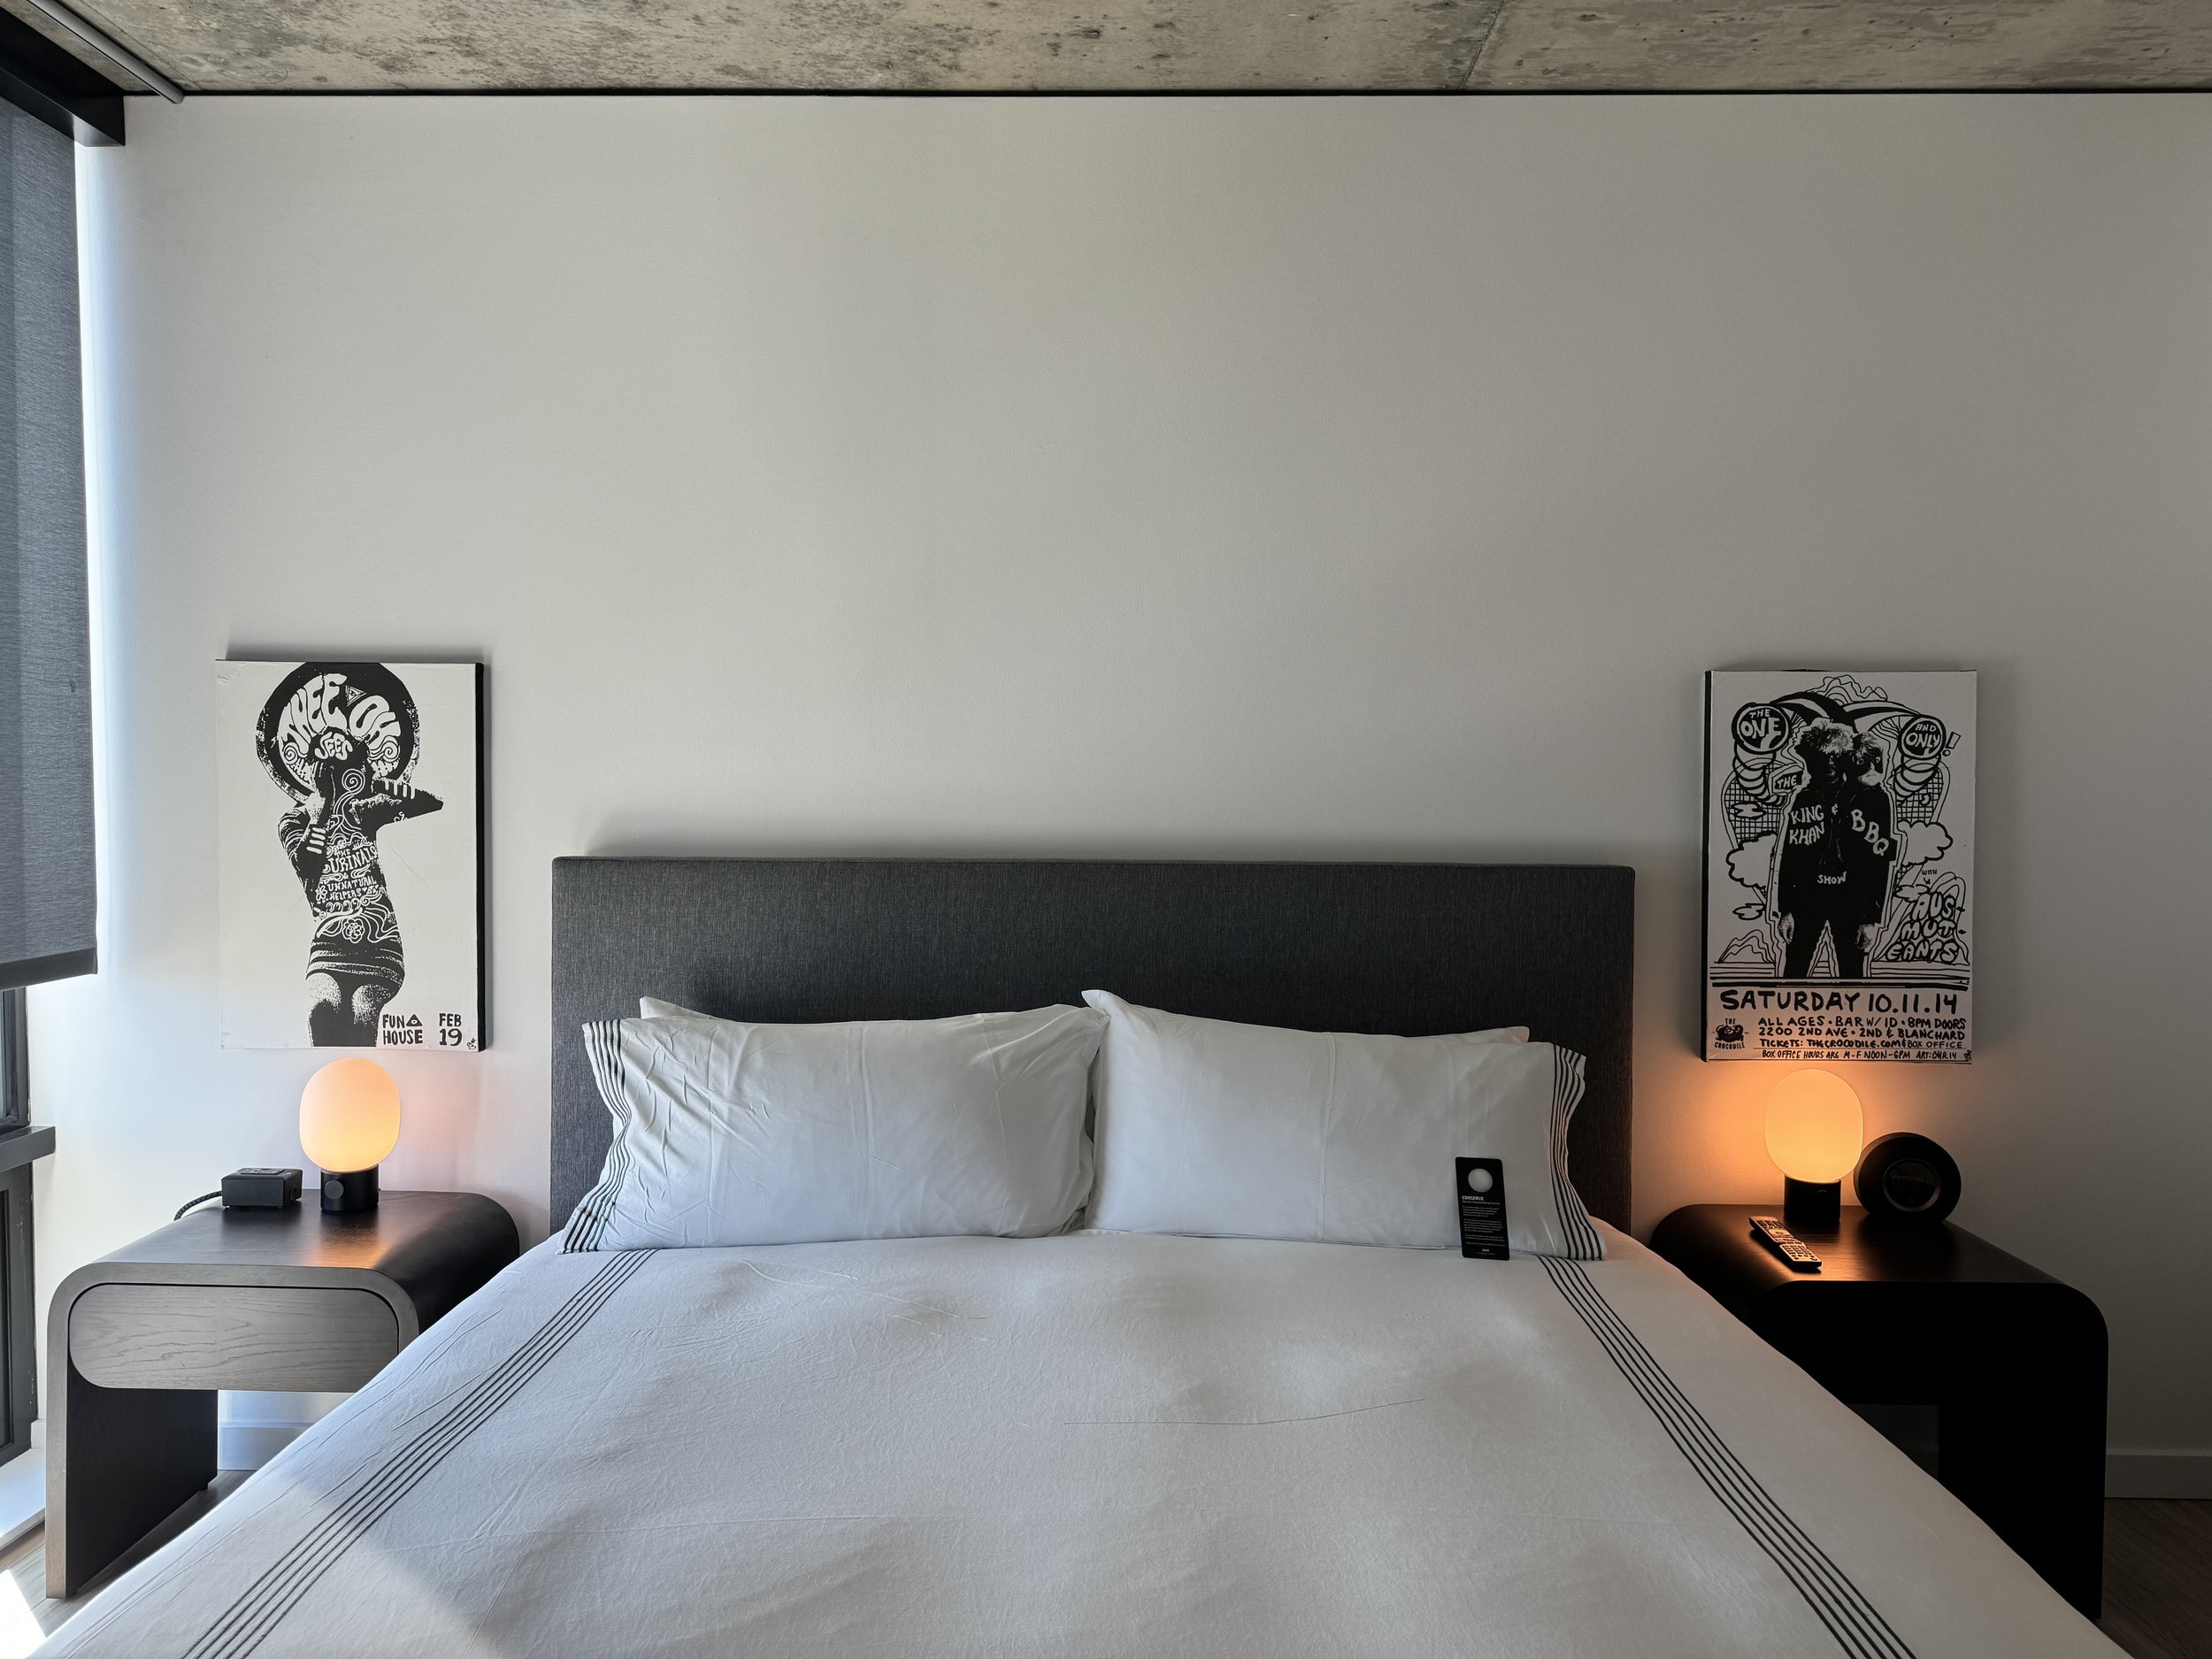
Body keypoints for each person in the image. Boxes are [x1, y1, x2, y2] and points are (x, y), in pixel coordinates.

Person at [278, 729, 442, 1045]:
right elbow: (306, 865)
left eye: (341, 758)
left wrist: (378, 784)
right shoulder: (295, 820)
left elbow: (430, 803)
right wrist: (319, 814)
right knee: (321, 1009)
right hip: (329, 945)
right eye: (325, 759)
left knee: (364, 1007)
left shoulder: (362, 810)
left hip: (378, 944)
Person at [1773, 721, 1897, 979]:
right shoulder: (1805, 798)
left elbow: (1878, 862)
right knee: (1794, 971)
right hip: (1808, 899)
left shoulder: (1870, 798)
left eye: (1835, 757)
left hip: (1851, 900)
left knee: (1852, 974)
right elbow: (1791, 855)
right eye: (1821, 758)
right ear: (1810, 760)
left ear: (1845, 758)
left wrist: (1869, 917)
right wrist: (1786, 909)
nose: (1828, 764)